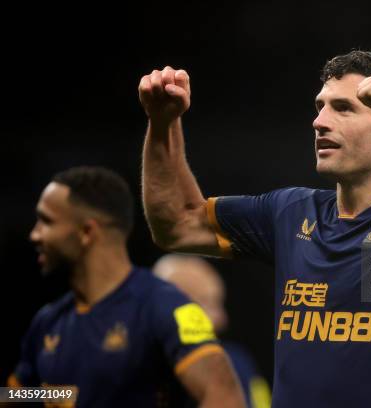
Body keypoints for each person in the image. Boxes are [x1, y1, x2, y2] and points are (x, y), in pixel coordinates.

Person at [139, 50, 371, 407]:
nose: (320, 121)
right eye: (320, 106)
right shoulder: (290, 212)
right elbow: (177, 225)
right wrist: (162, 124)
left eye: (343, 108)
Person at [7, 166, 245, 407]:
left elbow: (225, 398)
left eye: (46, 221)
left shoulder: (166, 308)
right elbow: (19, 395)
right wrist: (63, 395)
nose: (35, 235)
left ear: (87, 232)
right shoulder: (49, 320)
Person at [153, 254, 272, 408]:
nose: (222, 319)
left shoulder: (237, 362)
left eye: (219, 303)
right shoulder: (130, 361)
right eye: (208, 303)